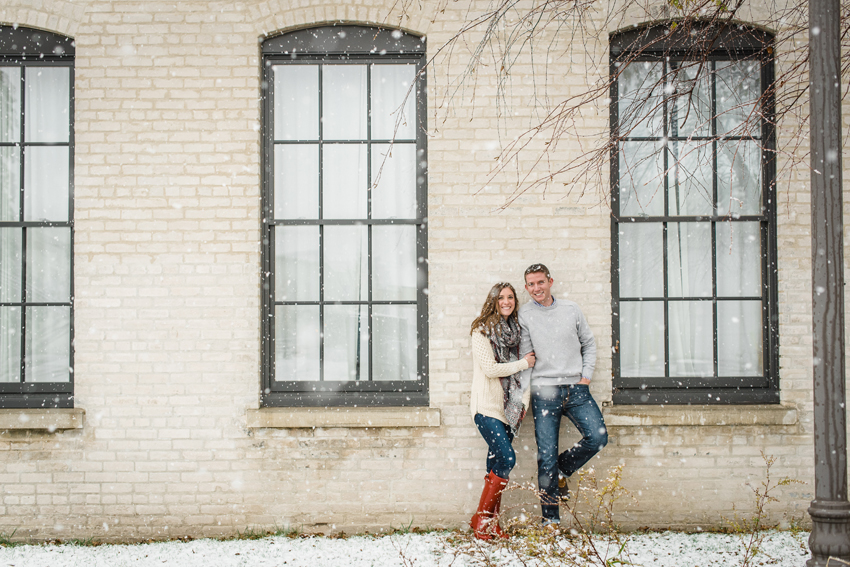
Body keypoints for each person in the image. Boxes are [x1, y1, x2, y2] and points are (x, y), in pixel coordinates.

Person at [518, 263, 607, 528]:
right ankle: (551, 523)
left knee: (598, 437)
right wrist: (523, 395)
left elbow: (588, 343)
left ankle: (561, 470)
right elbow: (527, 357)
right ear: (526, 288)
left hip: (576, 388)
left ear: (550, 281)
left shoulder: (571, 309)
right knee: (546, 455)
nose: (536, 288)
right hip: (544, 391)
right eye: (531, 284)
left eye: (540, 282)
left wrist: (586, 376)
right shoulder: (525, 314)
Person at [468, 282, 536, 540]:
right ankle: (483, 522)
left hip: (509, 410)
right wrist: (522, 363)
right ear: (493, 301)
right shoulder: (481, 331)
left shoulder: (517, 332)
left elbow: (526, 375)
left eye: (510, 297)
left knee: (496, 464)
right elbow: (490, 369)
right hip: (486, 408)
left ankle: (487, 522)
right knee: (507, 459)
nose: (506, 301)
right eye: (501, 298)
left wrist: (523, 404)